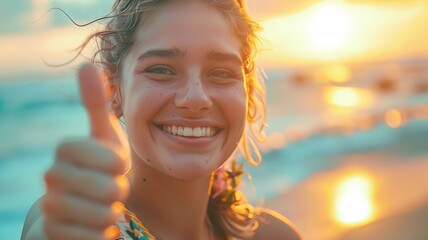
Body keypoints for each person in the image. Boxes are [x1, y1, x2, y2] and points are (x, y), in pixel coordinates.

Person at [21, 0, 302, 239]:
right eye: (161, 69)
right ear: (114, 89)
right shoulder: (78, 222)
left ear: (248, 93)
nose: (195, 98)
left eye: (221, 73)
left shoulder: (274, 234)